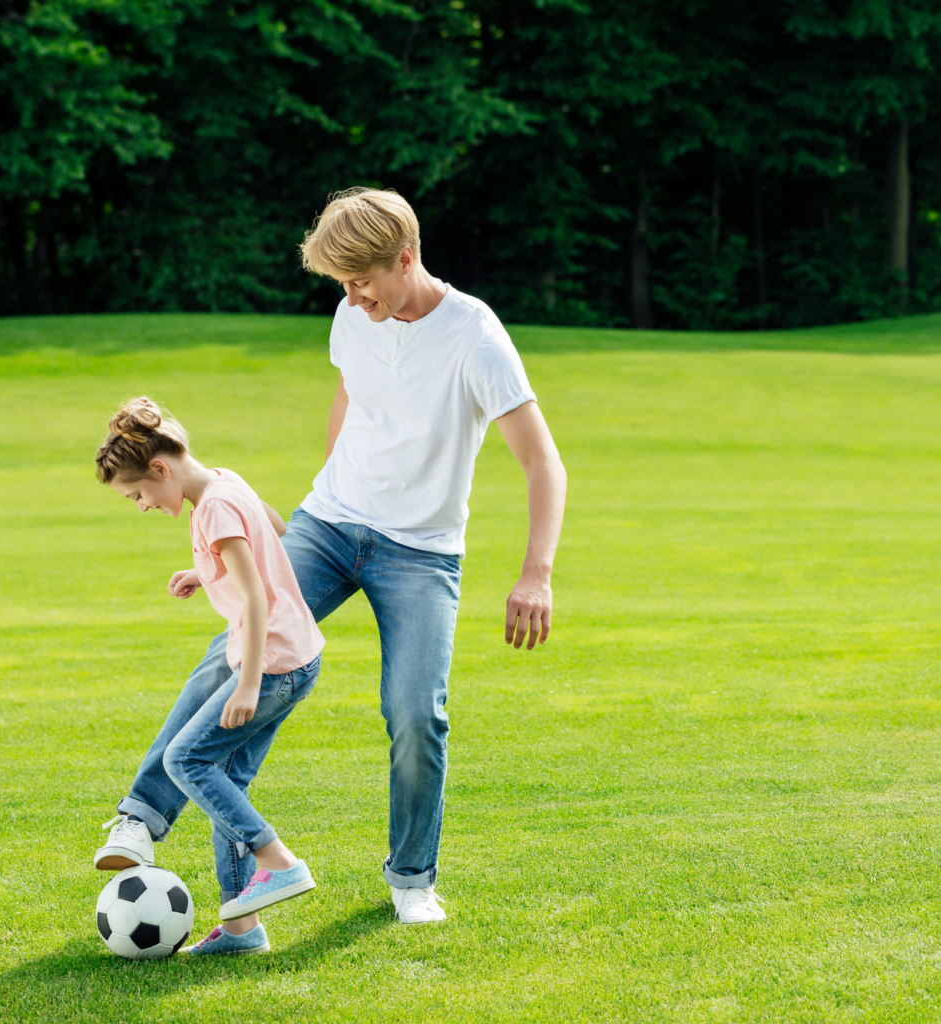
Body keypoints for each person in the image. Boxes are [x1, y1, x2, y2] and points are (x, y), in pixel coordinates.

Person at [115, 187, 568, 926]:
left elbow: (543, 462)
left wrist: (536, 574)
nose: (352, 299)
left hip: (420, 553)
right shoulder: (353, 314)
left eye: (361, 282)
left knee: (416, 712)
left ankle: (412, 878)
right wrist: (311, 505)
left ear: (406, 257)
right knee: (230, 652)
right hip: (329, 524)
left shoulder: (475, 337)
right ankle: (142, 815)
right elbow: (347, 402)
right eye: (342, 286)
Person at [91, 397, 326, 956]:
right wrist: (206, 568)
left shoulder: (213, 507)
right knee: (227, 784)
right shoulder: (225, 482)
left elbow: (254, 595)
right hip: (297, 657)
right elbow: (276, 527)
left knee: (185, 759)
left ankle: (279, 863)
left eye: (138, 495)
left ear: (160, 469)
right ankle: (243, 931)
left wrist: (247, 684)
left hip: (270, 666)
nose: (143, 506)